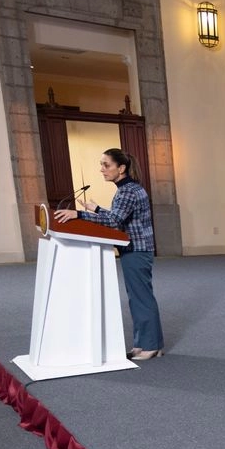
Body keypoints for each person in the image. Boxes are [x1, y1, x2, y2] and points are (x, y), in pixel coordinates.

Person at [53, 148, 164, 361]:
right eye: (101, 164)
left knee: (141, 298)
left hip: (136, 250)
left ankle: (150, 345)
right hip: (136, 249)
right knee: (139, 298)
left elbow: (114, 222)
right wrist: (96, 210)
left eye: (106, 165)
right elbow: (119, 218)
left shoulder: (127, 191)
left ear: (121, 168)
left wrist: (78, 214)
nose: (102, 169)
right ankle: (145, 344)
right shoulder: (128, 188)